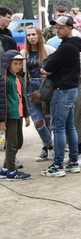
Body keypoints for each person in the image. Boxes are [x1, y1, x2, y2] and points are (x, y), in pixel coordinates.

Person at [40, 16, 81, 177]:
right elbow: (50, 62)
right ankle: (73, 162)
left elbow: (48, 65)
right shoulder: (71, 44)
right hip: (70, 89)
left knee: (58, 128)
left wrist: (48, 68)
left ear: (70, 28)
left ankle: (57, 165)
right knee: (69, 127)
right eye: (56, 27)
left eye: (61, 27)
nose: (57, 29)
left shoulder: (66, 47)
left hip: (62, 90)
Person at [22, 26, 55, 162]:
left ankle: (45, 149)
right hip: (31, 88)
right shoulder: (24, 52)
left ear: (39, 35)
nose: (31, 37)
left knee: (48, 120)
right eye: (28, 35)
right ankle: (51, 146)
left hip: (46, 86)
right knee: (38, 121)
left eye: (33, 34)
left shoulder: (50, 50)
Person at [0, 51, 30, 180]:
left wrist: (27, 115)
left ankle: (5, 168)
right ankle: (12, 171)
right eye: (15, 64)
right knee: (12, 143)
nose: (18, 66)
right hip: (9, 116)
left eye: (20, 64)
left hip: (19, 115)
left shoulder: (18, 78)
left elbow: (22, 97)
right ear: (8, 64)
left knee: (18, 142)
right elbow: (1, 100)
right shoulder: (4, 80)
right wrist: (1, 120)